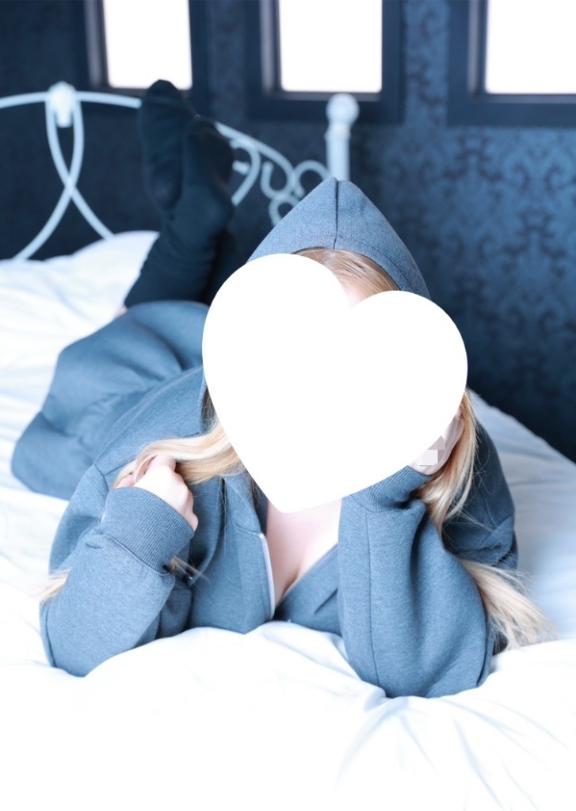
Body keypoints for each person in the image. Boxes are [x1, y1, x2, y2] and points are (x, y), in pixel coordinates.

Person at [10, 82, 556, 695]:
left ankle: (199, 232)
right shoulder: (166, 445)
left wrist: (385, 499)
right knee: (142, 322)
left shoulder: (455, 469)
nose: (324, 396)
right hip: (146, 371)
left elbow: (426, 673)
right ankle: (192, 229)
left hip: (215, 363)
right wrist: (140, 530)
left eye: (359, 363)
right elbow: (76, 644)